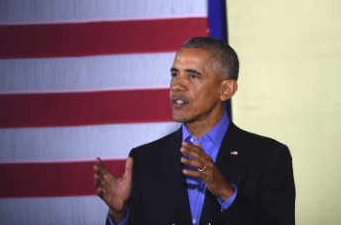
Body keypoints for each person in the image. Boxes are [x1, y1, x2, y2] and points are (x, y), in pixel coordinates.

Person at [93, 37, 295, 224]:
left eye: (193, 76)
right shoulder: (144, 159)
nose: (176, 85)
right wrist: (119, 215)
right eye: (174, 74)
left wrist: (226, 193)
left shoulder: (270, 157)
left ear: (226, 90)